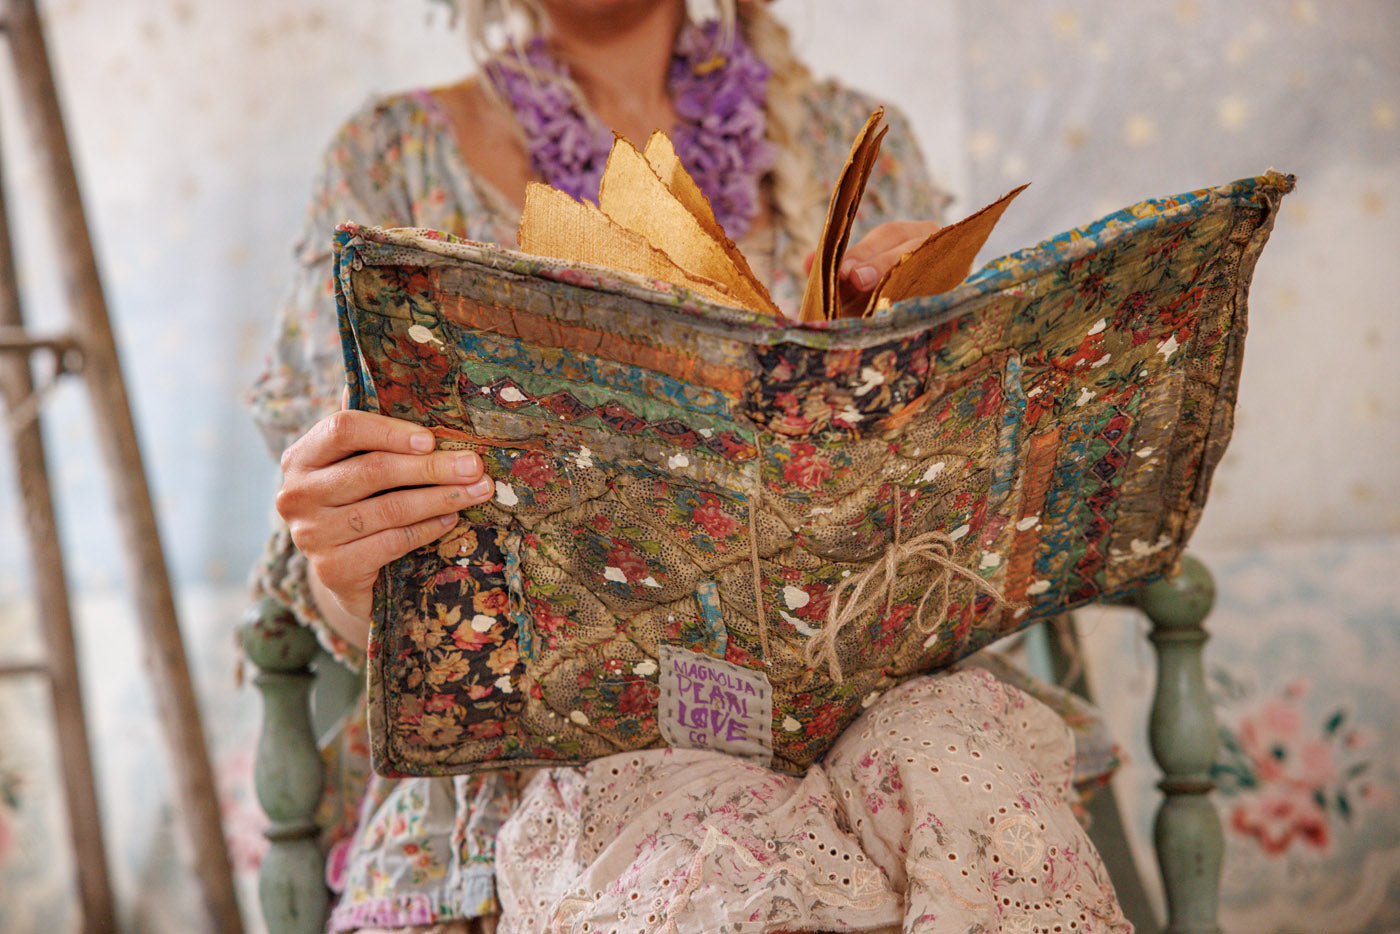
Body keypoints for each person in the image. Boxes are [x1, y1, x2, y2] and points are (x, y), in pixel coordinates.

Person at [250, 1, 1130, 931]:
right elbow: (350, 567)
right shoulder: (392, 160)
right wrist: (352, 565)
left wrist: (958, 367)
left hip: (878, 709)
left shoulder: (851, 139)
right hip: (561, 767)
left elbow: (954, 514)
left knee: (961, 776)